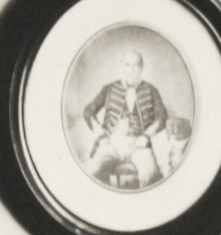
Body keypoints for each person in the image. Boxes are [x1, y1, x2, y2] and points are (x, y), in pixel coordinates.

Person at [78, 46, 190, 189]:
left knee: (151, 175)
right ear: (121, 66)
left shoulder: (151, 90)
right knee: (91, 172)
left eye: (135, 65)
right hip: (112, 143)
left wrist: (146, 136)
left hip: (139, 145)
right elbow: (88, 112)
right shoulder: (109, 89)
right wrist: (100, 136)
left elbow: (162, 117)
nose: (131, 70)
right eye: (127, 65)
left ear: (141, 67)